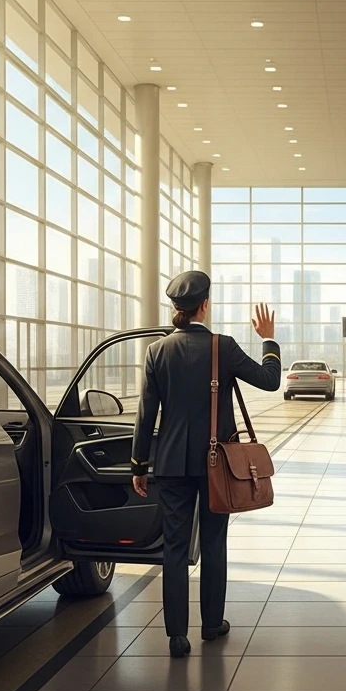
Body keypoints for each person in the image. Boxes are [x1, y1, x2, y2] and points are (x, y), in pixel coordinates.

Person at [130, 273, 281, 658]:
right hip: (219, 464)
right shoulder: (222, 348)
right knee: (214, 543)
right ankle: (212, 624)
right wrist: (268, 338)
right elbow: (269, 379)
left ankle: (177, 636)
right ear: (205, 305)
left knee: (175, 548)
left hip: (170, 465)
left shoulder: (156, 351)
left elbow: (146, 415)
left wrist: (138, 464)